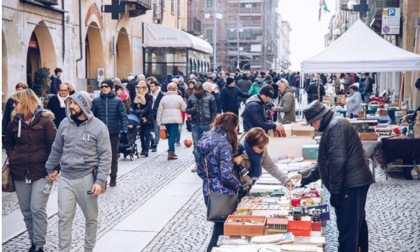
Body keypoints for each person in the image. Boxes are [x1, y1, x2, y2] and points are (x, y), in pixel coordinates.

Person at [293, 100, 374, 252]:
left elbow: (337, 163)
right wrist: (305, 178)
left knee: (348, 229)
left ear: (318, 119)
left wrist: (335, 193)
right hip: (354, 182)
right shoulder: (333, 125)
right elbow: (325, 163)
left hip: (350, 185)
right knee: (356, 224)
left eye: (311, 123)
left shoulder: (335, 127)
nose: (312, 127)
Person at [45, 91, 111, 252]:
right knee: (64, 217)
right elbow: (57, 148)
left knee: (91, 218)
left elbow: (105, 156)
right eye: (70, 104)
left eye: (74, 104)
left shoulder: (99, 127)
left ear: (84, 105)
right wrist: (51, 167)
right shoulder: (64, 124)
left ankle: (88, 249)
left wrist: (100, 181)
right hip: (66, 177)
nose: (71, 107)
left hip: (87, 177)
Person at [4, 89, 57, 252]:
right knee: (26, 211)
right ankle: (33, 242)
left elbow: (55, 146)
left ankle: (39, 244)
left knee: (37, 208)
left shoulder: (46, 121)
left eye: (17, 102)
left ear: (26, 103)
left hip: (42, 172)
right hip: (20, 172)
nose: (14, 105)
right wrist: (13, 156)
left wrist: (54, 168)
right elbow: (7, 142)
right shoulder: (14, 122)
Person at [196, 113, 241, 252]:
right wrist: (238, 186)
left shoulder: (205, 138)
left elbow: (200, 170)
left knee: (219, 227)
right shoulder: (223, 144)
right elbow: (226, 174)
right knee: (220, 230)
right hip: (223, 192)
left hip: (208, 189)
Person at [234, 127, 294, 200]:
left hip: (251, 184)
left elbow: (271, 167)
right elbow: (235, 171)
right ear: (251, 144)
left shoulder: (261, 149)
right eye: (260, 147)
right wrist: (247, 180)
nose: (262, 149)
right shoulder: (237, 150)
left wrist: (286, 180)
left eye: (264, 147)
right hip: (237, 187)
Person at [91, 79, 128, 187]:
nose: (103, 88)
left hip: (113, 132)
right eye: (102, 86)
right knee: (99, 156)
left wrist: (124, 131)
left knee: (113, 156)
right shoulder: (96, 101)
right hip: (99, 133)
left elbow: (123, 116)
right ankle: (101, 179)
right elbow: (91, 116)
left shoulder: (117, 101)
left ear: (111, 88)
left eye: (106, 86)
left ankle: (113, 177)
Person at [186, 82, 217, 169]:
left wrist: (212, 122)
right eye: (196, 91)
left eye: (198, 91)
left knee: (208, 144)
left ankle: (208, 163)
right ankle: (198, 164)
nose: (197, 93)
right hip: (195, 124)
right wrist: (191, 110)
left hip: (207, 124)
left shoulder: (210, 97)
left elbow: (214, 110)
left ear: (202, 90)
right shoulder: (191, 98)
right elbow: (187, 110)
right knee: (196, 145)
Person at [156, 83, 187, 160]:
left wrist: (158, 121)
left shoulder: (164, 98)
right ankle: (171, 152)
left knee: (170, 135)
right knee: (172, 136)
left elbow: (159, 111)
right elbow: (184, 108)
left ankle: (171, 151)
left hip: (165, 120)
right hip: (175, 120)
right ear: (176, 89)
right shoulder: (179, 98)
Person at [130, 80, 153, 157]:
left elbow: (148, 107)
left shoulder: (149, 96)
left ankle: (146, 150)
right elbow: (132, 106)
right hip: (138, 118)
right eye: (138, 88)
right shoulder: (136, 96)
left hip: (146, 118)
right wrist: (133, 111)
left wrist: (141, 112)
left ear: (144, 88)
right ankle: (143, 149)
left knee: (146, 134)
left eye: (140, 88)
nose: (138, 89)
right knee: (141, 135)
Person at [149, 80, 164, 152]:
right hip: (149, 114)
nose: (151, 88)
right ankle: (152, 141)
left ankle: (155, 145)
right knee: (147, 131)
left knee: (156, 131)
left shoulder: (161, 95)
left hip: (156, 115)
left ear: (156, 87)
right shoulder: (149, 94)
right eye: (150, 86)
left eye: (152, 86)